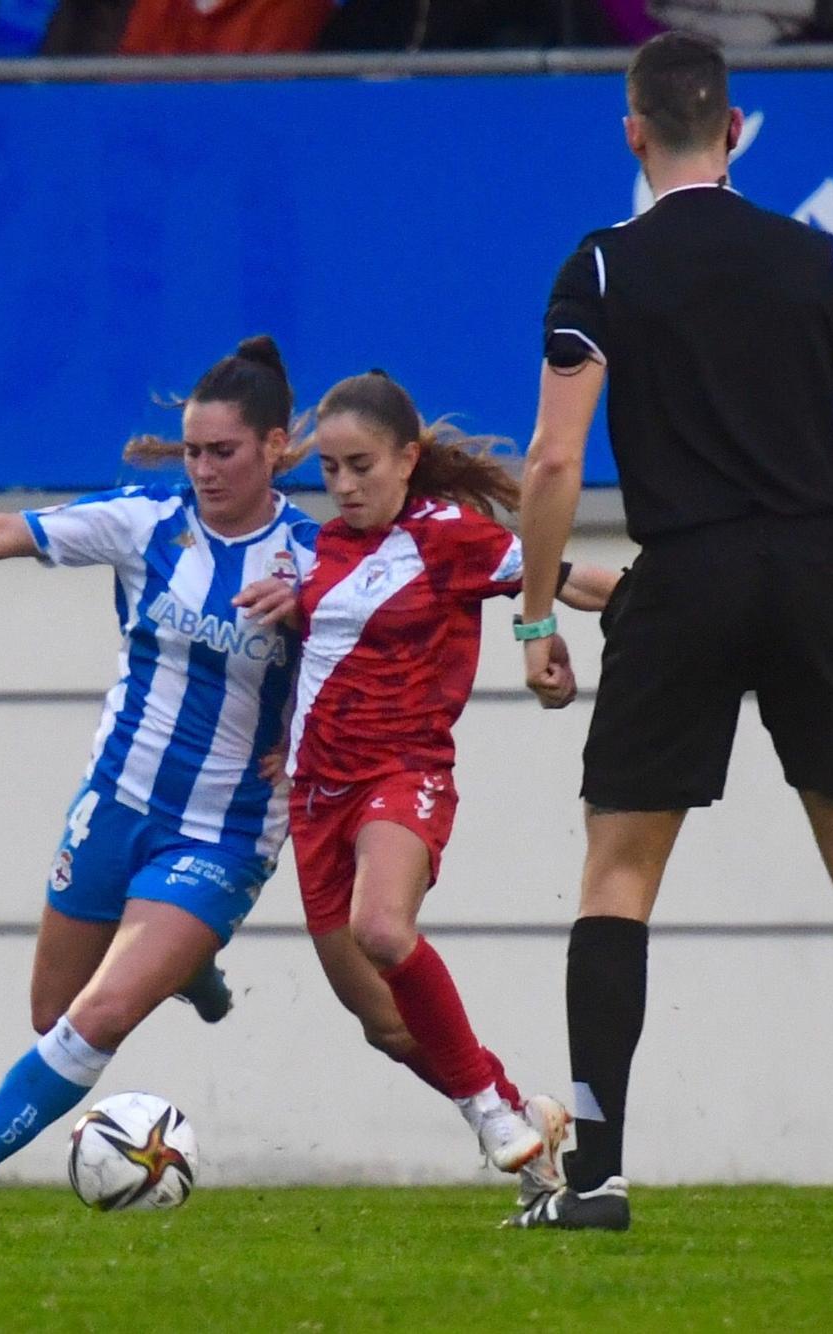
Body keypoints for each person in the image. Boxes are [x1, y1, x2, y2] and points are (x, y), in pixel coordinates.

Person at [507, 31, 833, 1232]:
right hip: (808, 565)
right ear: (734, 130)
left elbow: (555, 455)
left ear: (633, 133)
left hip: (683, 577)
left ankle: (598, 1174)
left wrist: (530, 613)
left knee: (618, 875)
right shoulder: (819, 259)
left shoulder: (602, 270)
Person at [0, 336, 318, 1215]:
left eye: (222, 452)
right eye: (192, 451)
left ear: (274, 447)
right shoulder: (148, 524)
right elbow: (5, 532)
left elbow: (379, 648)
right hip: (115, 804)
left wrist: (305, 734)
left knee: (101, 1017)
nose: (203, 469)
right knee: (54, 1012)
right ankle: (188, 966)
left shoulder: (313, 554)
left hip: (224, 830)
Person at [284, 370, 616, 1204]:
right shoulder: (313, 550)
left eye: (360, 465)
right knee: (385, 1025)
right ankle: (516, 1113)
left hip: (403, 777)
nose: (344, 487)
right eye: (327, 471)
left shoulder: (448, 536)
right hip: (313, 798)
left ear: (407, 458)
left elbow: (565, 574)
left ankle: (487, 1114)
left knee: (382, 928)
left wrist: (671, 605)